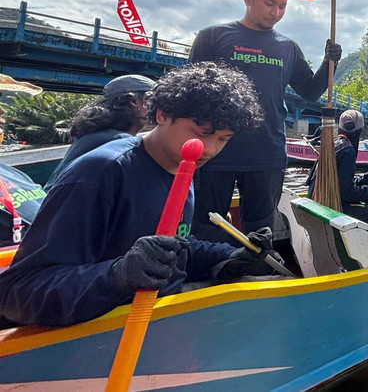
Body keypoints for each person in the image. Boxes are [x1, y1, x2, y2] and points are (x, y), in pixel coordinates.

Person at [0, 62, 280, 328]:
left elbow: (170, 247)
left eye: (223, 139)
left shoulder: (181, 169)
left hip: (161, 321)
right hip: (103, 336)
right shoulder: (100, 174)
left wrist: (230, 256)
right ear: (162, 114)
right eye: (201, 133)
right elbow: (19, 292)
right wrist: (117, 275)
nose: (209, 149)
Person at [188, 0, 342, 244]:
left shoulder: (288, 47)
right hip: (215, 152)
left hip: (267, 152)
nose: (276, 13)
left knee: (260, 233)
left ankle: (255, 278)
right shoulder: (213, 37)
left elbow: (309, 91)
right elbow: (190, 93)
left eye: (282, 6)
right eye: (269, 4)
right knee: (206, 226)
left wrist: (329, 62)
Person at [44, 74, 156, 190]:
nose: (158, 109)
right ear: (133, 102)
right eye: (152, 101)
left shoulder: (96, 135)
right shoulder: (119, 141)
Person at [307, 110, 368, 230]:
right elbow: (347, 193)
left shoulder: (332, 145)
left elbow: (340, 183)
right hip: (331, 209)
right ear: (358, 132)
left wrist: (366, 178)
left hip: (317, 203)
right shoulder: (348, 151)